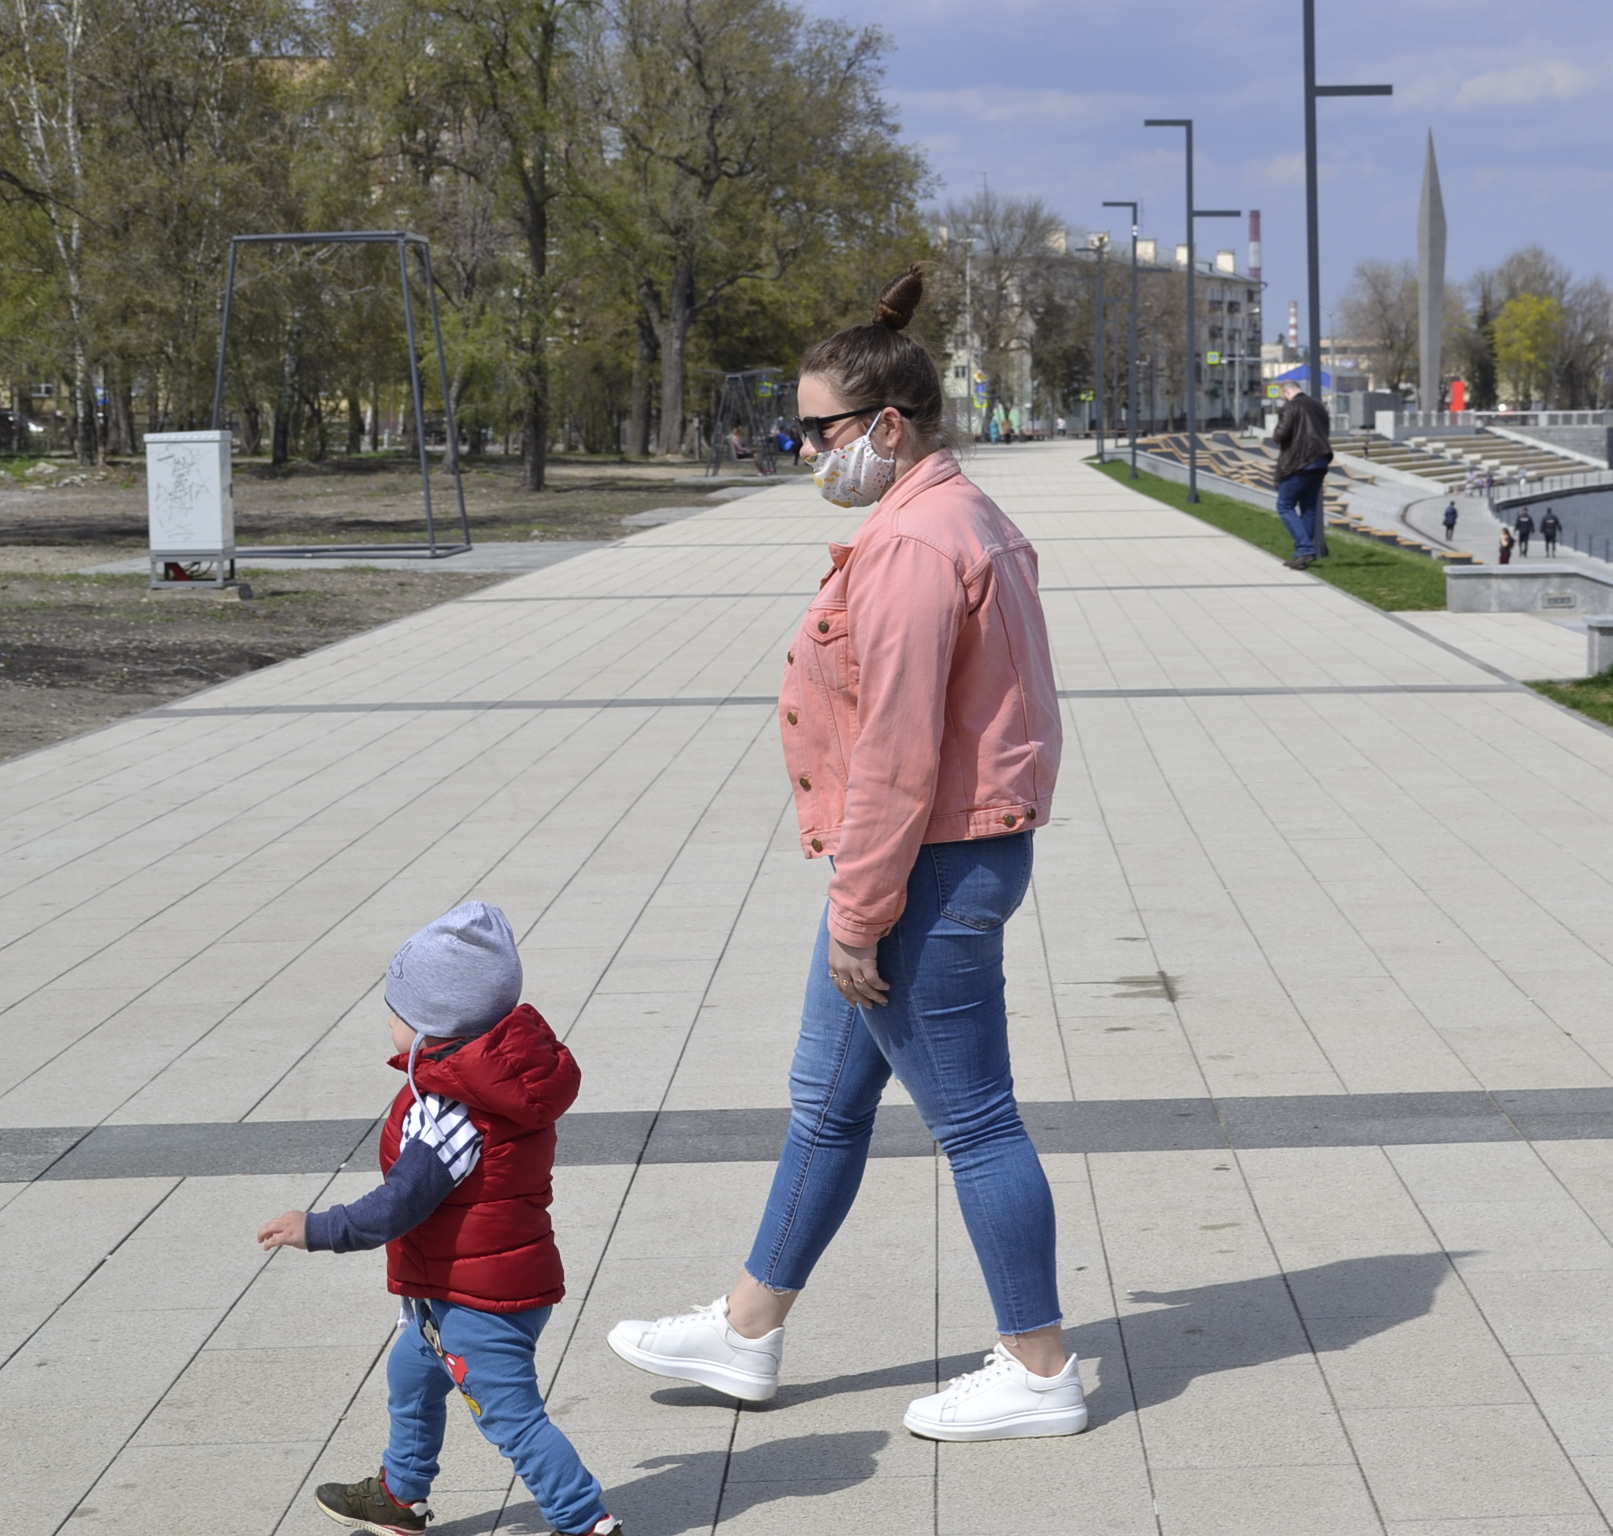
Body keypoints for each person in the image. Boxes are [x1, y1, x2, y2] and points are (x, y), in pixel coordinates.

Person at [606, 264, 1084, 1444]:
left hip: (926, 870)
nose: (806, 449)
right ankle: (747, 1329)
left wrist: (861, 912)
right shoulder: (956, 515)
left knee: (976, 1121)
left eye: (820, 430)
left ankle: (1039, 1370)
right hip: (932, 860)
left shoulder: (916, 544)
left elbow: (898, 754)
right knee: (826, 1104)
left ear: (888, 425)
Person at [257, 903, 622, 1536]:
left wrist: (317, 1229)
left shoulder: (451, 1112)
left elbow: (400, 1203)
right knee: (412, 1375)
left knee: (512, 1418)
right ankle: (400, 1496)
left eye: (397, 1012)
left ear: (434, 1025)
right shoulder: (491, 1080)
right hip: (468, 1284)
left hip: (479, 1300)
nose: (389, 1022)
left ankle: (585, 1521)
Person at [1271, 380, 1333, 571]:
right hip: (1320, 461)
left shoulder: (1291, 406)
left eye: (1283, 396)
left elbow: (1281, 434)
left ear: (1287, 392)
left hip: (1298, 463)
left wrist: (1276, 431)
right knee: (1309, 508)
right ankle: (1302, 555)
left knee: (1284, 505)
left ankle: (1305, 548)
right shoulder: (1318, 406)